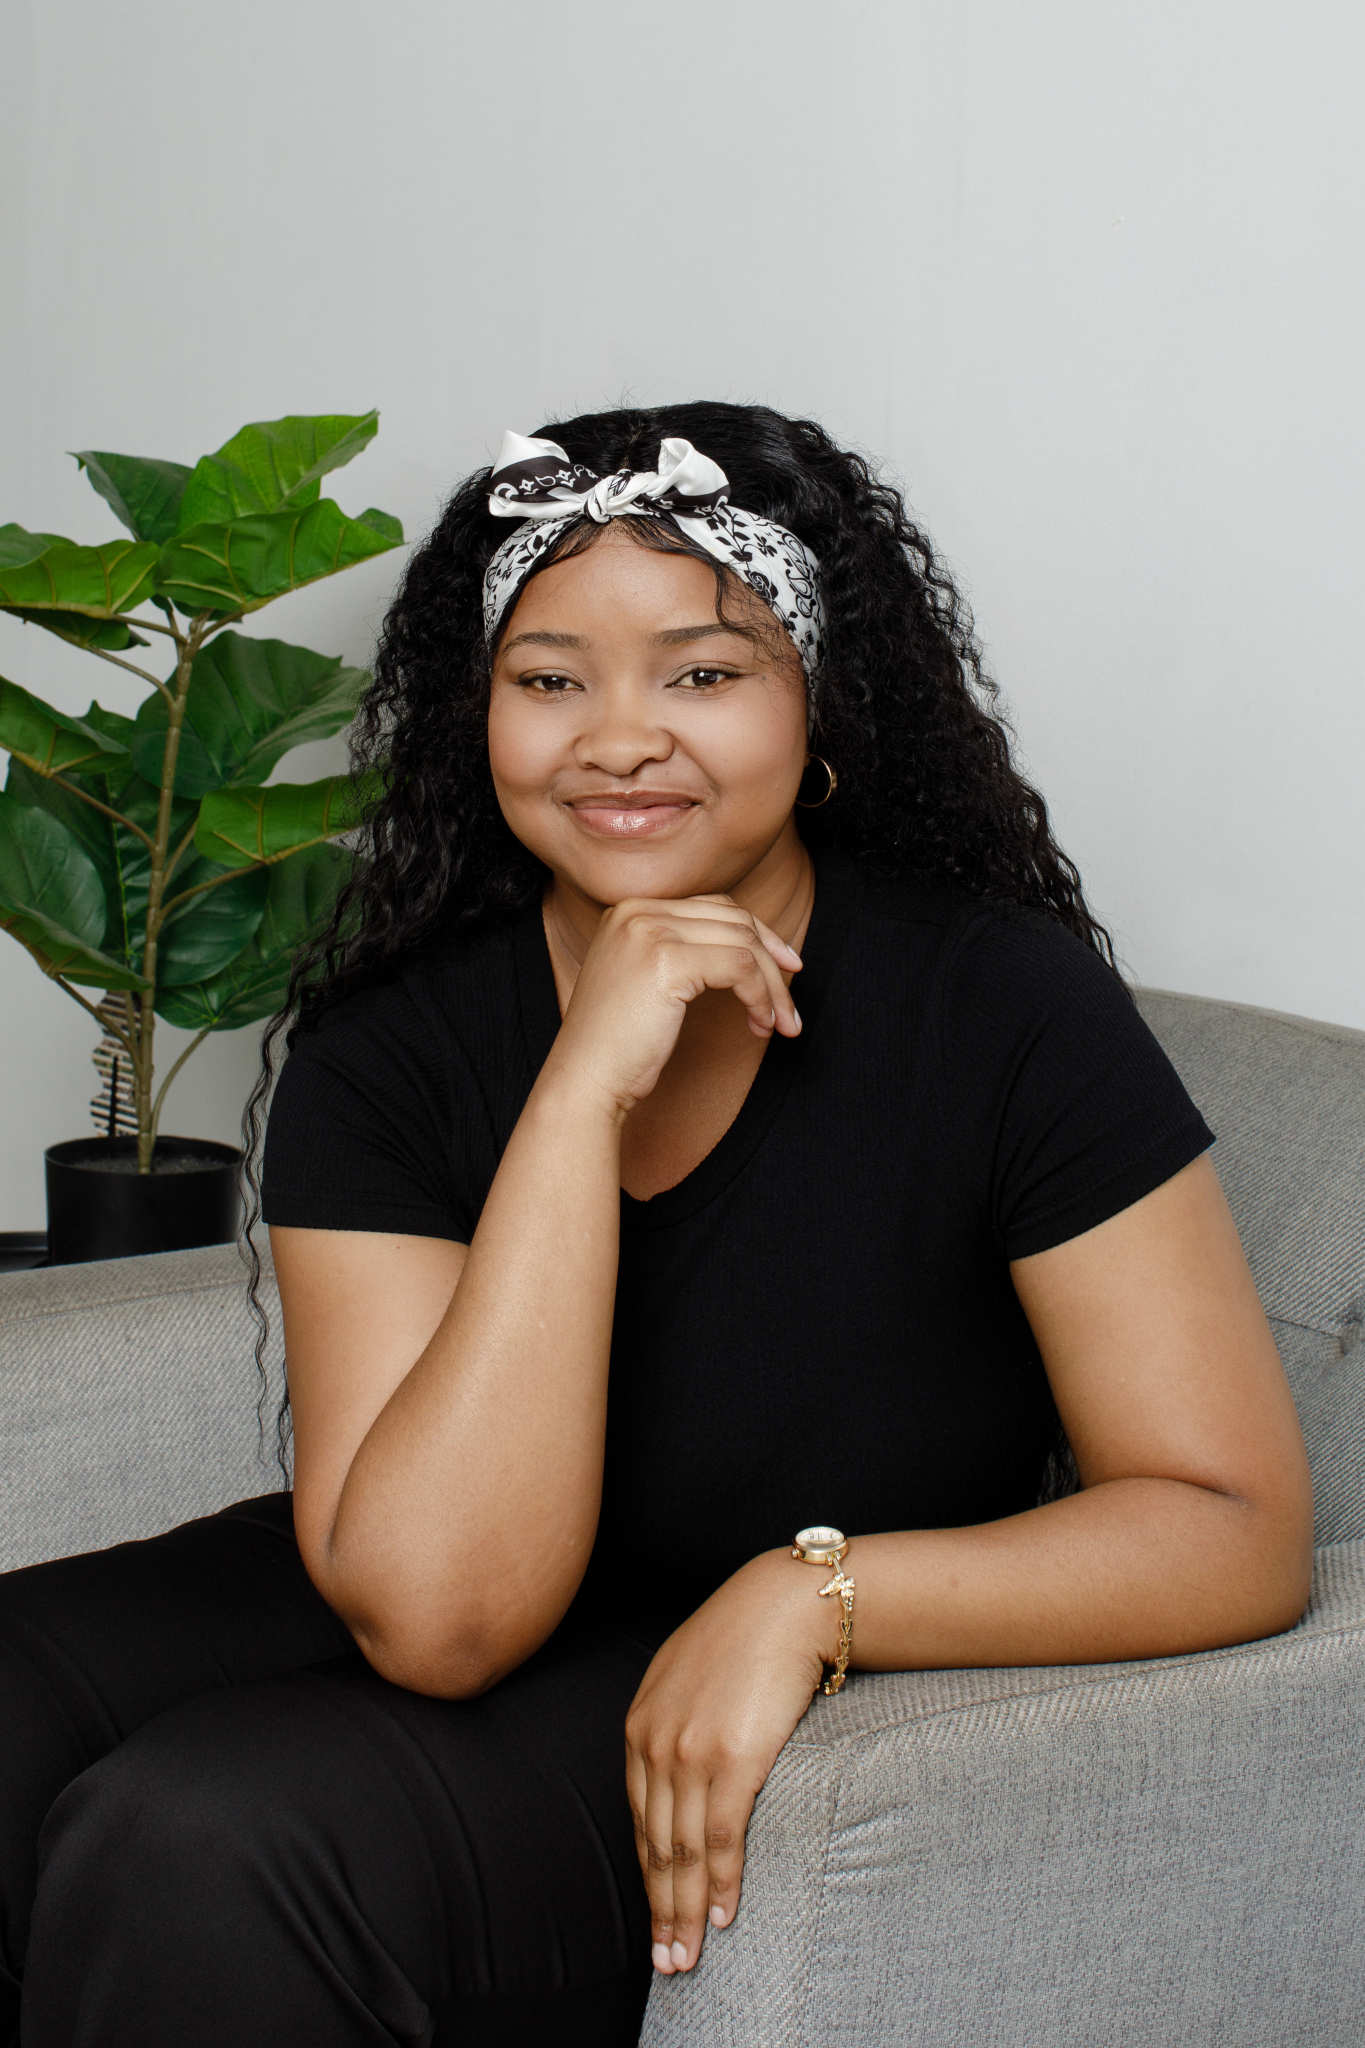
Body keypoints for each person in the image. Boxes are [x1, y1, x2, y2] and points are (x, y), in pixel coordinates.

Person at [0, 403, 1312, 2048]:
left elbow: (1229, 1521)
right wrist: (577, 1097)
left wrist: (814, 1597)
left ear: (817, 701)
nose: (618, 741)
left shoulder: (998, 1006)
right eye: (549, 680)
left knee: (207, 1843)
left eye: (701, 673)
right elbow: (437, 1602)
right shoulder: (393, 1036)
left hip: (760, 1634)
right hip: (451, 1554)